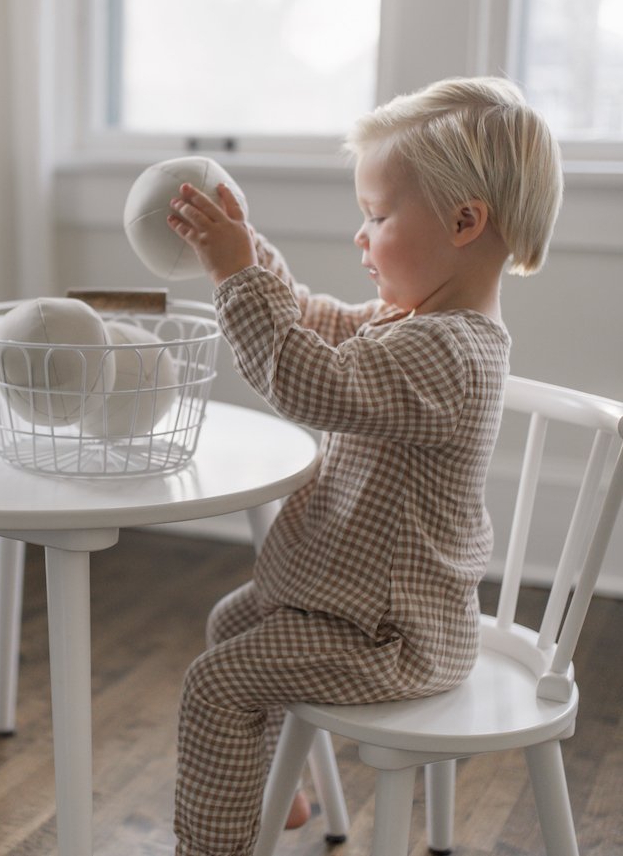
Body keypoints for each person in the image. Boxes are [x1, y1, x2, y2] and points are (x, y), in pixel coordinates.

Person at [164, 76, 563, 856]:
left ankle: (207, 848)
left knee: (216, 682)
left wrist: (234, 277)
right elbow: (315, 323)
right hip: (352, 609)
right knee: (230, 623)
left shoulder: (448, 354)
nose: (361, 233)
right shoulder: (412, 320)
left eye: (377, 215)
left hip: (391, 634)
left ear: (463, 221)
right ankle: (280, 798)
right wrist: (253, 256)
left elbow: (308, 377)